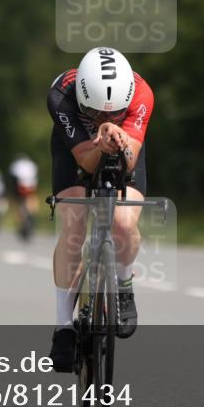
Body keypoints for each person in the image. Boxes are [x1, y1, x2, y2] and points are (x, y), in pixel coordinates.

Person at [46, 47, 154, 371]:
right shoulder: (61, 94)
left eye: (113, 113)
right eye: (94, 112)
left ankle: (123, 285)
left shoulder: (142, 94)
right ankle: (63, 327)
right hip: (75, 149)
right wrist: (99, 135)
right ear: (81, 97)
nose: (104, 120)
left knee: (123, 222)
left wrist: (118, 140)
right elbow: (85, 161)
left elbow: (130, 161)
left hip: (125, 144)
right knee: (74, 226)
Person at [9, 153, 39, 239]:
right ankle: (32, 216)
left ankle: (21, 221)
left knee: (18, 203)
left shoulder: (16, 165)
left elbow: (12, 177)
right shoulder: (32, 165)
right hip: (31, 187)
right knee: (31, 199)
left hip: (20, 188)